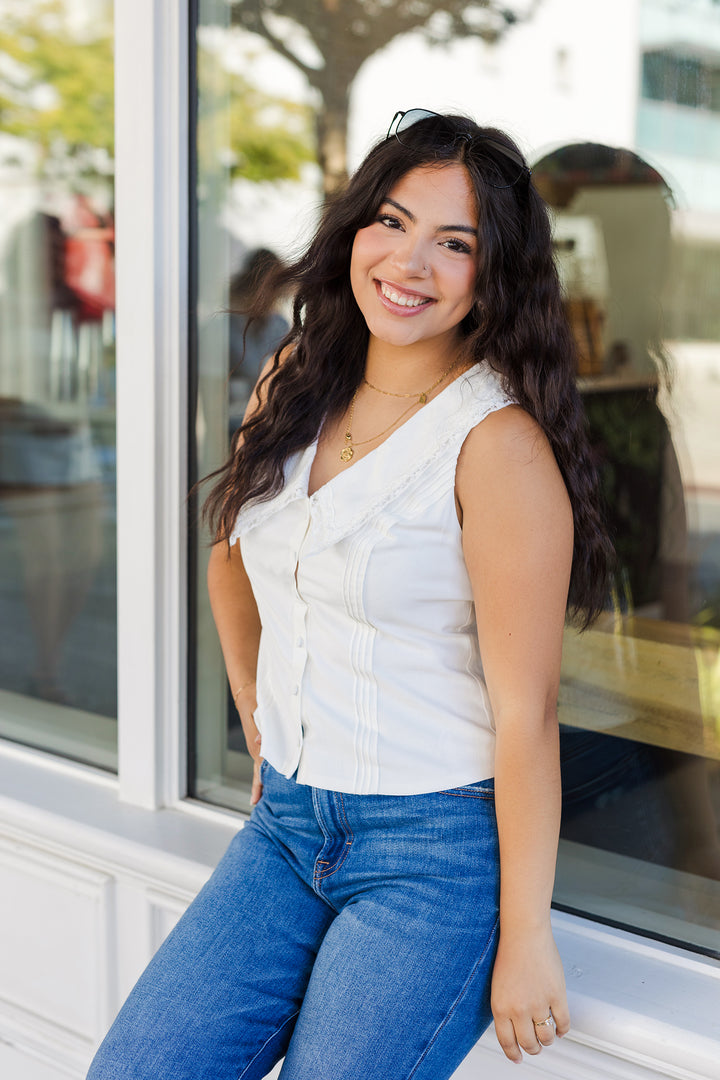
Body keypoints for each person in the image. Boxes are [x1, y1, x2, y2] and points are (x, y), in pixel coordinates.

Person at [86, 109, 611, 1080]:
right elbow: (231, 558)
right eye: (393, 221)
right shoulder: (298, 376)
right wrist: (262, 722)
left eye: (455, 243)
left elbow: (527, 710)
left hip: (432, 855)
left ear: (494, 274)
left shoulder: (495, 446)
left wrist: (527, 934)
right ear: (355, 228)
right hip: (287, 826)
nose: (411, 262)